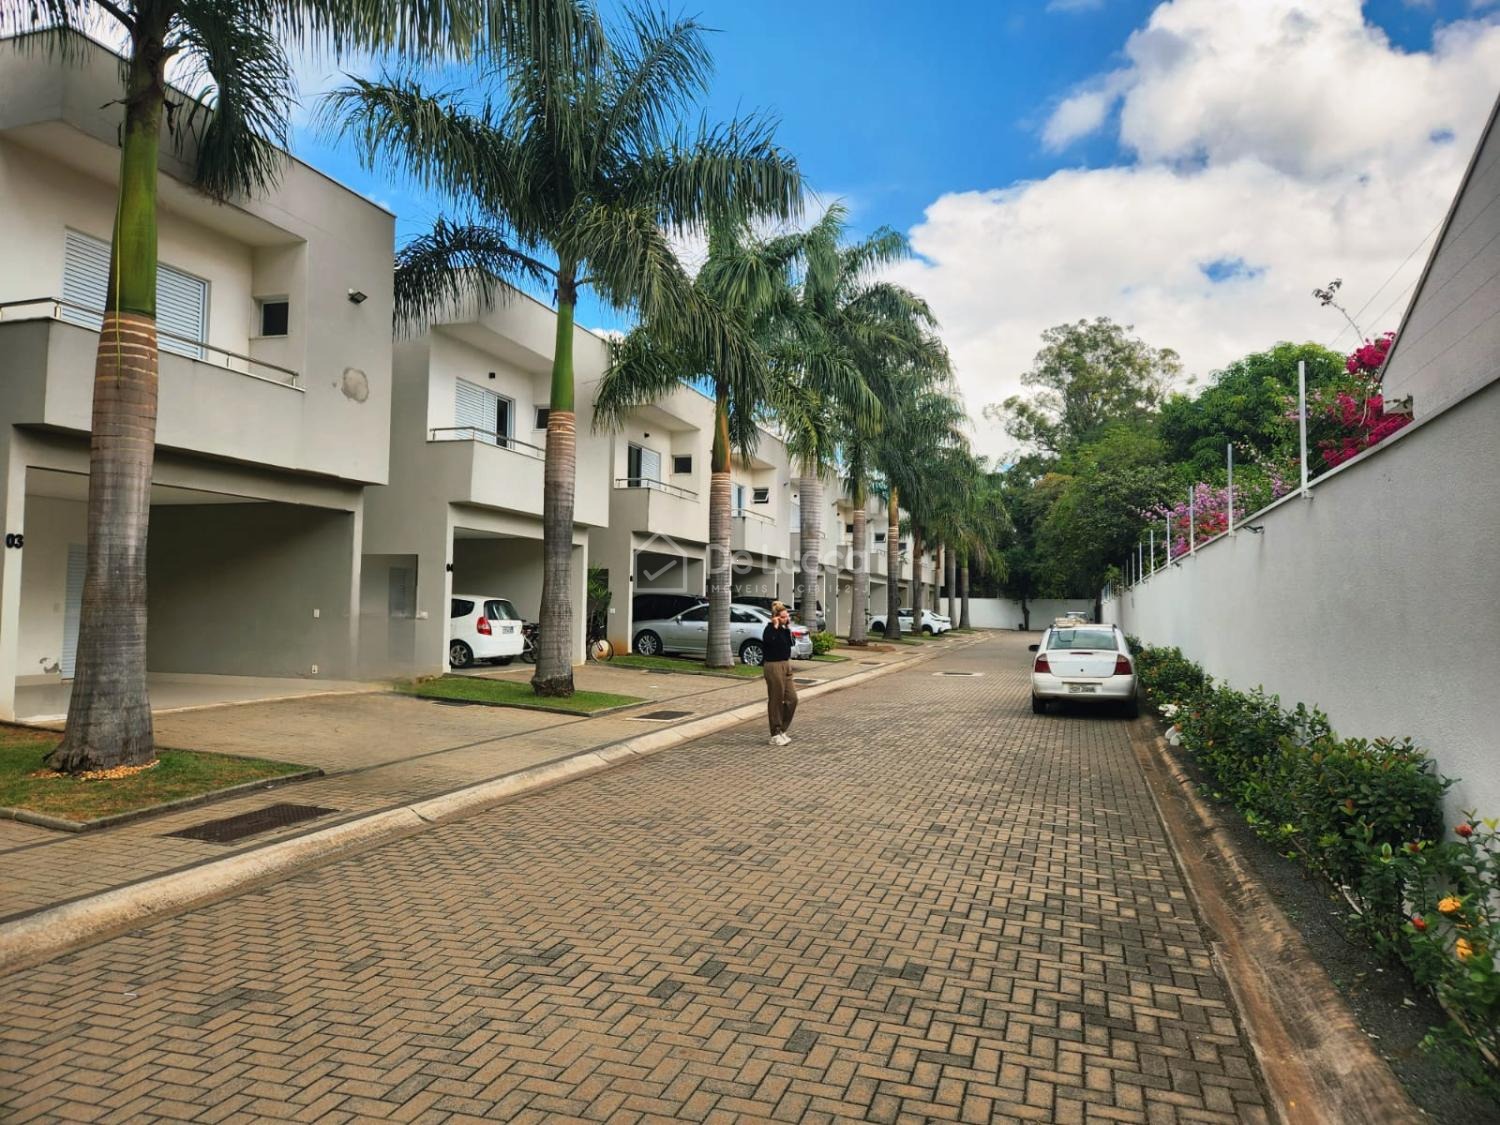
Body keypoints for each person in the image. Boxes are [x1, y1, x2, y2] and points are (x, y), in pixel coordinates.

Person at [762, 601, 799, 746]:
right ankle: (775, 733)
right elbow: (769, 641)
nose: (786, 619)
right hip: (773, 666)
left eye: (787, 616)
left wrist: (787, 627)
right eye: (783, 617)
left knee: (792, 699)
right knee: (776, 699)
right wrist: (775, 626)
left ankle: (782, 729)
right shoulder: (769, 629)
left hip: (786, 665)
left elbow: (792, 643)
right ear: (775, 617)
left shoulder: (785, 630)